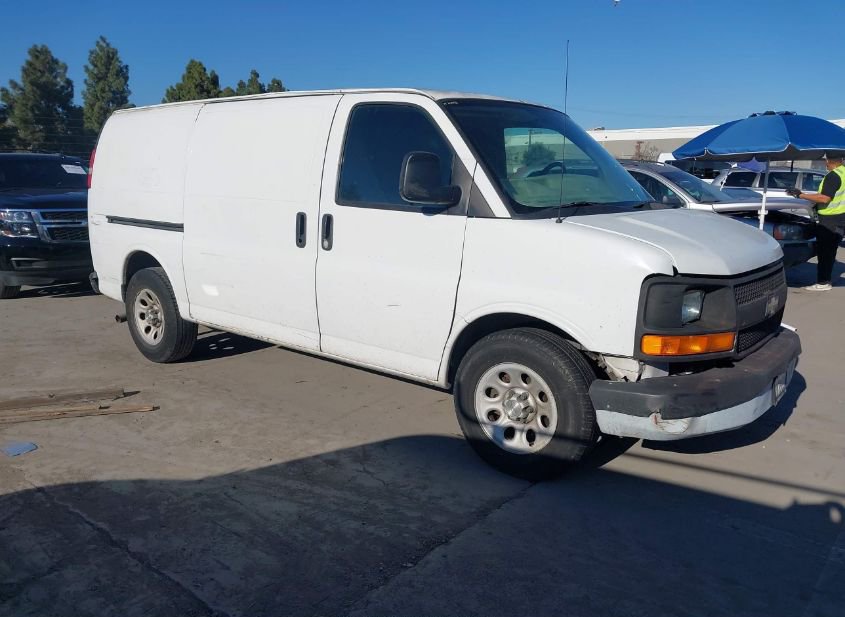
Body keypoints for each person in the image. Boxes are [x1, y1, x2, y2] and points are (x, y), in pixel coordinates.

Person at [787, 153, 845, 291]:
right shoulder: (843, 172)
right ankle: (826, 279)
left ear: (828, 161)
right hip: (840, 218)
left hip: (829, 220)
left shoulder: (833, 176)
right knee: (830, 251)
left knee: (825, 252)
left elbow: (824, 198)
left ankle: (823, 282)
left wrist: (800, 194)